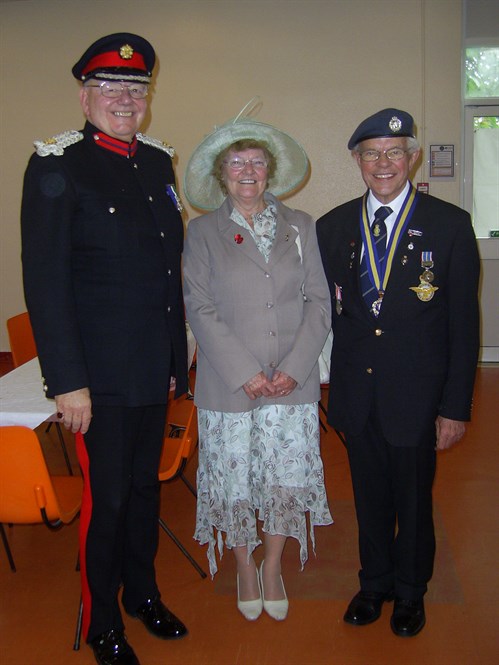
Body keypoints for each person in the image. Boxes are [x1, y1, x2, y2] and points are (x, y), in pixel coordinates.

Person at [21, 33, 189, 665]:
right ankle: (102, 621)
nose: (125, 98)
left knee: (146, 491)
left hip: (153, 368)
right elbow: (46, 282)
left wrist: (177, 358)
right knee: (108, 499)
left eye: (136, 89)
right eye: (111, 87)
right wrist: (67, 382)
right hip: (97, 378)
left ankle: (143, 594)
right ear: (85, 94)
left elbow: (163, 272)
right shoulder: (56, 165)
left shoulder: (154, 162)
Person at [316, 108, 480, 637]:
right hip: (357, 394)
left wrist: (455, 407)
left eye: (393, 152)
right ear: (357, 162)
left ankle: (411, 592)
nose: (382, 163)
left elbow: (463, 325)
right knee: (367, 497)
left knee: (412, 498)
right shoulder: (333, 226)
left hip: (418, 396)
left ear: (412, 158)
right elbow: (322, 309)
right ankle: (375, 584)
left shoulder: (450, 225)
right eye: (371, 154)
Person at [182, 109, 333, 622]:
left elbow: (318, 301)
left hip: (293, 380)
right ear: (221, 174)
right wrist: (245, 371)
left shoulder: (301, 227)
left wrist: (294, 366)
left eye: (257, 163)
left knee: (284, 477)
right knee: (235, 478)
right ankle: (243, 565)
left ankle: (273, 565)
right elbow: (198, 306)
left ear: (270, 171)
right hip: (231, 385)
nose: (248, 171)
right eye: (236, 163)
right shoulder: (202, 232)